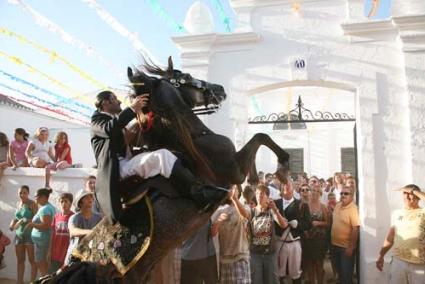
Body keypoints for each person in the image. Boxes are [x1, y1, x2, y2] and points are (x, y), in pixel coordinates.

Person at [90, 90, 226, 221]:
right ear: (105, 103)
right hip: (117, 170)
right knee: (163, 156)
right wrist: (132, 109)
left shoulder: (115, 122)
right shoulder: (97, 120)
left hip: (127, 162)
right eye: (114, 99)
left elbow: (123, 137)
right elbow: (109, 129)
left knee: (167, 153)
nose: (119, 101)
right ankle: (199, 194)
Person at [232, 184, 288, 284]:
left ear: (267, 196)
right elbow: (244, 214)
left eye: (262, 194)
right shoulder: (252, 211)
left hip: (270, 254)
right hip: (255, 254)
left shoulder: (272, 211)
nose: (259, 195)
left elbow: (284, 225)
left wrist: (276, 210)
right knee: (256, 281)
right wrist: (235, 199)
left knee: (272, 281)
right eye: (257, 193)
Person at [376, 184, 425, 284]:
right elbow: (390, 237)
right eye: (405, 193)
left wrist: (414, 191)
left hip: (419, 264)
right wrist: (381, 255)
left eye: (411, 194)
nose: (407, 196)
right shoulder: (396, 213)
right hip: (398, 262)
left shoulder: (423, 212)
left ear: (418, 196)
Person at [211, 185, 251, 284]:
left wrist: (235, 199)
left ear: (239, 191)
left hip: (240, 259)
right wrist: (218, 222)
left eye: (234, 188)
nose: (232, 190)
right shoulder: (219, 210)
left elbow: (246, 215)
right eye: (230, 188)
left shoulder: (244, 206)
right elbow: (212, 233)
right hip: (224, 261)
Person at [274, 180, 311, 284]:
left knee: (295, 272)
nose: (286, 186)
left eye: (289, 184)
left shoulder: (302, 205)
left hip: (295, 243)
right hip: (280, 242)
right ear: (281, 188)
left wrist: (298, 224)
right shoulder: (275, 203)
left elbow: (308, 224)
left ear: (293, 188)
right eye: (284, 185)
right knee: (280, 272)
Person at [330, 185, 359, 284]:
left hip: (345, 248)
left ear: (352, 196)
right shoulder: (338, 205)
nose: (343, 195)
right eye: (341, 193)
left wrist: (351, 247)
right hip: (334, 245)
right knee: (340, 274)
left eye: (346, 193)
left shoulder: (353, 209)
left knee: (346, 276)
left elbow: (355, 229)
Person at [9, 185, 38, 283]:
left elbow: (37, 220)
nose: (22, 195)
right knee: (20, 260)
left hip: (29, 235)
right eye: (20, 193)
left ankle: (32, 282)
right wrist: (12, 223)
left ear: (28, 193)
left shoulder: (32, 204)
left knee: (31, 260)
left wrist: (23, 220)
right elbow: (16, 218)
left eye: (24, 192)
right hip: (19, 235)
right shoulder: (18, 204)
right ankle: (19, 281)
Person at [65, 189, 102, 264]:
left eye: (91, 197)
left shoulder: (99, 217)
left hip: (91, 258)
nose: (90, 200)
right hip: (75, 257)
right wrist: (91, 232)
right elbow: (73, 231)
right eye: (86, 198)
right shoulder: (74, 217)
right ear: (80, 202)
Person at [26, 187, 56, 277]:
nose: (35, 198)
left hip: (42, 241)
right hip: (43, 241)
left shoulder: (45, 209)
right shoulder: (47, 207)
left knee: (41, 265)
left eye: (37, 196)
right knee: (44, 266)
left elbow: (46, 225)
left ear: (43, 197)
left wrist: (32, 225)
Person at [303, 186, 329, 284]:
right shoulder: (305, 206)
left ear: (320, 194)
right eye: (313, 190)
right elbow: (301, 222)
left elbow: (328, 223)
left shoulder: (323, 207)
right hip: (308, 239)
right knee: (310, 264)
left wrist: (318, 223)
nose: (314, 192)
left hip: (320, 240)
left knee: (319, 263)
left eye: (317, 191)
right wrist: (305, 231)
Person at [49, 192, 74, 273]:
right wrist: (49, 252)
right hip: (55, 253)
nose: (63, 203)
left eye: (66, 201)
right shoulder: (56, 217)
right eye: (61, 201)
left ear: (70, 203)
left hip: (67, 253)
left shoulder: (74, 217)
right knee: (53, 275)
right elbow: (52, 235)